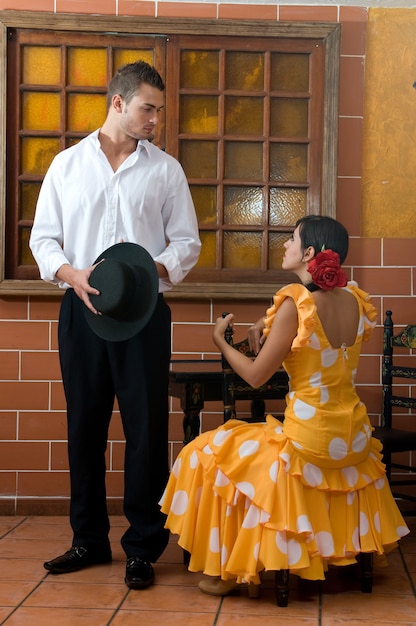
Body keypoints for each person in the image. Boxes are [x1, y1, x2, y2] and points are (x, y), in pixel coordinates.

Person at [160, 214, 409, 597]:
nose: (285, 245)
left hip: (308, 440)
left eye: (292, 240)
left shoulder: (296, 303)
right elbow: (312, 318)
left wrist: (221, 342)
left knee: (204, 453)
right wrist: (264, 321)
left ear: (309, 252)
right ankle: (319, 554)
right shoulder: (356, 299)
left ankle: (230, 568)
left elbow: (257, 376)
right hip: (353, 440)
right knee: (246, 450)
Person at [29, 60, 201, 590]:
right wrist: (73, 274)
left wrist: (141, 271)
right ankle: (88, 540)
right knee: (84, 426)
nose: (155, 119)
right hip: (81, 312)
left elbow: (187, 243)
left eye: (159, 111)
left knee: (146, 428)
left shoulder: (166, 170)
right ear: (119, 103)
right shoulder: (66, 165)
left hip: (145, 316)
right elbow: (43, 240)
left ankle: (143, 548)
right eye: (148, 108)